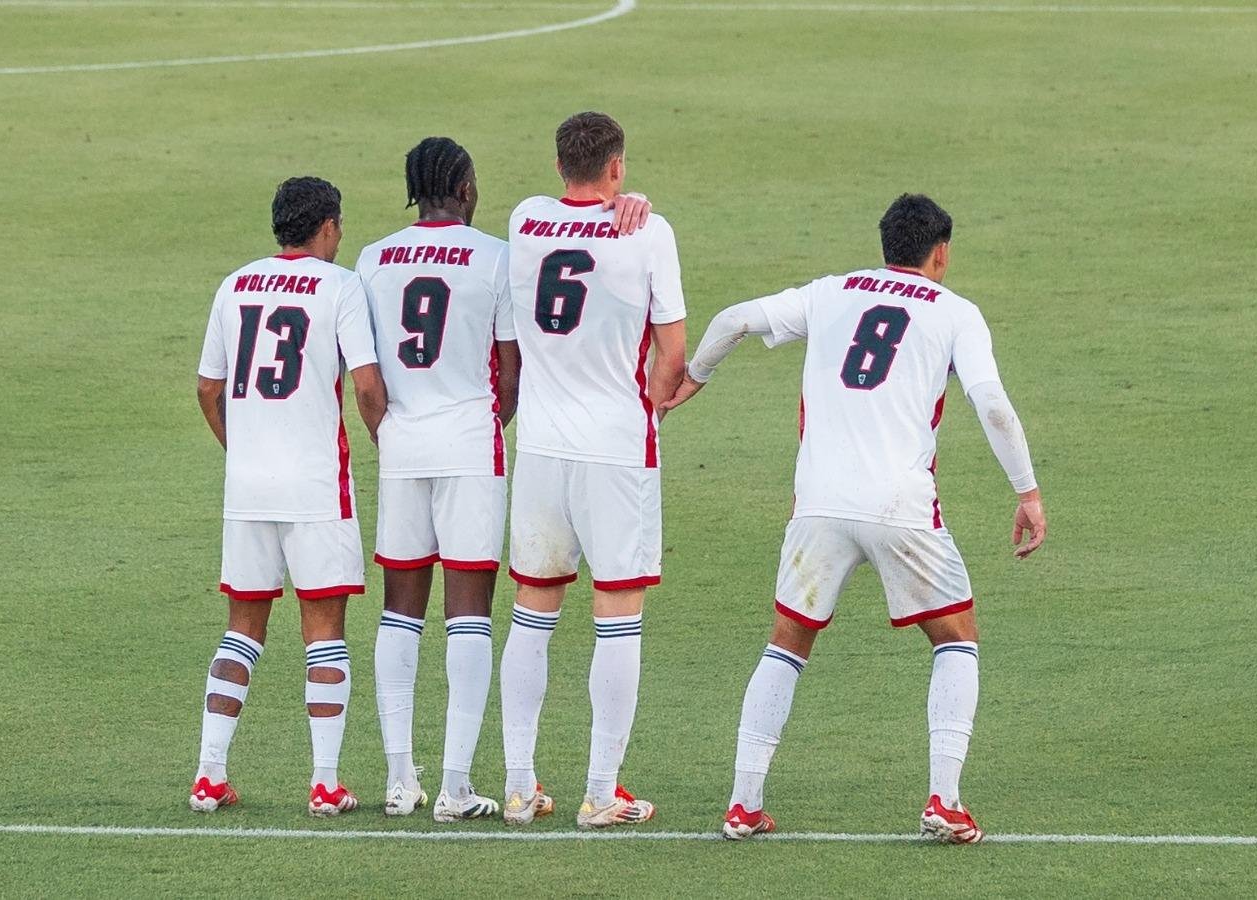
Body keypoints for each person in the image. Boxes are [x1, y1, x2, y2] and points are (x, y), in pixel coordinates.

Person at [663, 193, 1047, 843]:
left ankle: (743, 804)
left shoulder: (830, 292)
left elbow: (733, 319)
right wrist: (1027, 492)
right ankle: (944, 800)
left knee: (785, 644)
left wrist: (696, 374)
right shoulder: (955, 312)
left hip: (817, 504)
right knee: (956, 638)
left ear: (885, 245)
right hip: (901, 506)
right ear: (941, 253)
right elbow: (992, 404)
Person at [355, 137, 654, 822]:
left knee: (399, 611)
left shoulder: (371, 260)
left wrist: (389, 435)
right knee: (468, 614)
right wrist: (489, 421)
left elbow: (366, 380)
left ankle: (399, 781)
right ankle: (455, 786)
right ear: (465, 189)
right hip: (470, 447)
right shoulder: (496, 256)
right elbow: (511, 371)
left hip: (399, 446)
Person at [499, 112, 687, 828]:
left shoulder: (524, 221)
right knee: (619, 611)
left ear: (558, 166)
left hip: (541, 449)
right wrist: (651, 414)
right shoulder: (650, 232)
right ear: (617, 166)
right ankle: (602, 791)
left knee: (533, 608)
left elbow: (567, 214)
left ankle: (520, 787)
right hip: (616, 449)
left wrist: (614, 202)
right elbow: (672, 353)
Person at [189, 176, 387, 818]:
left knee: (241, 629)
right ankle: (325, 783)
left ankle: (209, 775)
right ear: (327, 226)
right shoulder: (341, 286)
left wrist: (242, 450)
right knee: (323, 632)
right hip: (315, 488)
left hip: (247, 490)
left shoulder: (234, 285)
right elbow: (366, 385)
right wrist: (388, 441)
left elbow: (207, 389)